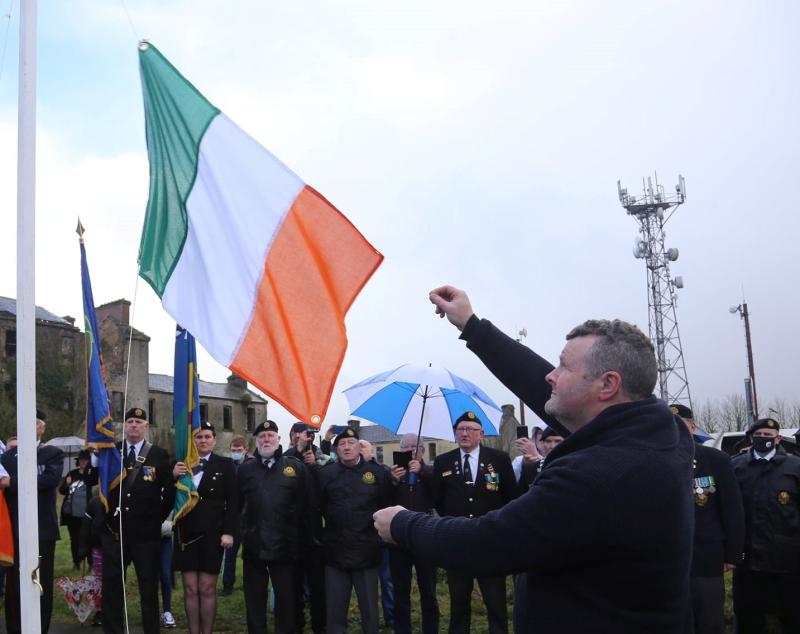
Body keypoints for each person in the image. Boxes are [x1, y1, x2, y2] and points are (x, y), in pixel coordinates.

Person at [373, 285, 695, 634]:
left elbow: (489, 544)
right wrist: (471, 326)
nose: (550, 376)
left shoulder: (599, 476)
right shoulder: (661, 431)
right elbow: (540, 386)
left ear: (607, 385)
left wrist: (404, 525)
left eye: (563, 366)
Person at [433, 410, 518, 633]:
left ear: (481, 434)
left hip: (489, 541)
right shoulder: (443, 461)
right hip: (457, 541)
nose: (465, 433)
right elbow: (438, 500)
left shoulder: (498, 459)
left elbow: (511, 496)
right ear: (454, 434)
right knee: (458, 602)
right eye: (460, 429)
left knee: (495, 601)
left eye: (471, 429)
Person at [237, 420, 316, 634]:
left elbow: (307, 506)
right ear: (256, 441)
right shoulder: (245, 470)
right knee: (254, 600)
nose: (266, 439)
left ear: (278, 439)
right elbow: (236, 507)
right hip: (254, 546)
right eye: (262, 436)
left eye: (271, 435)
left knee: (287, 599)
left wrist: (306, 539)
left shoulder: (295, 467)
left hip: (286, 546)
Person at [101, 407, 175, 634]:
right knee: (113, 587)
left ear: (146, 427)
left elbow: (169, 492)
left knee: (148, 588)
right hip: (117, 532)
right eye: (130, 421)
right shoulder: (112, 452)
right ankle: (113, 630)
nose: (133, 425)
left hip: (146, 535)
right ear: (125, 426)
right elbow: (103, 486)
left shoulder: (159, 455)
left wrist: (155, 519)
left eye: (138, 422)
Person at [671, 404, 744, 634]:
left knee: (708, 621)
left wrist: (732, 553)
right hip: (666, 560)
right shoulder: (653, 459)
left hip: (705, 558)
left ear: (692, 426)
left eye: (680, 425)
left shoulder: (716, 460)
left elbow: (732, 508)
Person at [317, 426, 392, 634]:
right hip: (335, 551)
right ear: (336, 450)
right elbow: (319, 507)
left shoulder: (377, 474)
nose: (347, 447)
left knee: (369, 611)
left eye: (351, 443)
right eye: (342, 444)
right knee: (335, 611)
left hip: (367, 551)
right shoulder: (326, 475)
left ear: (360, 447)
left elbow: (385, 507)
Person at [731, 417, 800, 633]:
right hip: (748, 560)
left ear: (778, 439)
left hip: (787, 559)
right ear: (751, 438)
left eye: (768, 436)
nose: (763, 439)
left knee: (792, 616)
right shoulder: (735, 466)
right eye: (758, 436)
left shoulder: (795, 466)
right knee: (748, 618)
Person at [1, 408, 64, 634]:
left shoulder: (53, 454)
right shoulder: (7, 457)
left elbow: (47, 481)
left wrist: (11, 483)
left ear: (42, 428)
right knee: (14, 585)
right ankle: (15, 629)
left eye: (36, 423)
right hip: (14, 530)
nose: (31, 426)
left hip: (42, 530)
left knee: (40, 582)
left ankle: (40, 629)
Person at [172, 421, 237, 634]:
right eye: (199, 437)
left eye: (207, 436)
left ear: (214, 440)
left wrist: (229, 531)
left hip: (213, 534)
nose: (203, 441)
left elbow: (233, 502)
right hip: (186, 534)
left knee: (207, 588)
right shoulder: (183, 464)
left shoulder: (225, 465)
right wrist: (172, 475)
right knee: (190, 589)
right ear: (193, 440)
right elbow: (169, 495)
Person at [388, 433, 439, 634]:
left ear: (423, 451)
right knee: (400, 591)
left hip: (425, 536)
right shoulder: (394, 474)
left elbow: (439, 494)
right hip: (398, 538)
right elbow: (382, 499)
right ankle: (402, 629)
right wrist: (391, 481)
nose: (410, 450)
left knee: (429, 590)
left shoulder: (432, 471)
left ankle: (431, 629)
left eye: (415, 446)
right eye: (405, 447)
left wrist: (423, 472)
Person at [283, 423, 329, 632]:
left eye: (308, 435)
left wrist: (313, 465)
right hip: (292, 535)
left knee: (319, 587)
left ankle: (320, 625)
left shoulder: (318, 457)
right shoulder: (286, 457)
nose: (305, 438)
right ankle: (296, 625)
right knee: (293, 586)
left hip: (314, 535)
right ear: (292, 436)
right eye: (300, 434)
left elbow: (324, 489)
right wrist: (297, 451)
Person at [221, 434, 253, 595]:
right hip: (234, 515)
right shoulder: (227, 466)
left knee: (250, 554)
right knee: (230, 553)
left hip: (249, 515)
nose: (236, 452)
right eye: (233, 450)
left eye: (239, 450)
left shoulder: (252, 465)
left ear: (245, 450)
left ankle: (250, 584)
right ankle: (228, 585)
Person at [60, 448, 98, 570]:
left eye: (86, 460)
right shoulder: (72, 473)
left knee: (90, 538)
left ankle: (91, 563)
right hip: (72, 513)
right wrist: (67, 484)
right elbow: (62, 491)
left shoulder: (93, 474)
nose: (83, 462)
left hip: (88, 512)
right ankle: (76, 562)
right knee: (74, 538)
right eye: (81, 460)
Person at [512, 426, 564, 491]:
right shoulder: (530, 467)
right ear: (543, 443)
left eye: (558, 441)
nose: (552, 446)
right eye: (548, 441)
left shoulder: (574, 463)